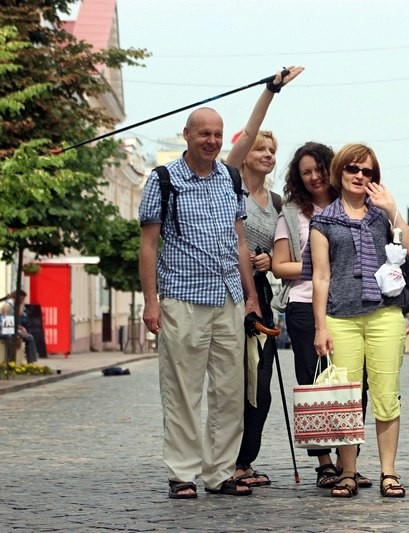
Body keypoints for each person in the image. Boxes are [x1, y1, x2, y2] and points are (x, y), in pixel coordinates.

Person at [139, 72, 293, 499]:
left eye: (217, 134)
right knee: (184, 391)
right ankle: (183, 473)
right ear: (186, 135)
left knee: (229, 391)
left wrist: (249, 296)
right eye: (203, 133)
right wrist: (151, 301)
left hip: (229, 299)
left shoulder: (230, 179)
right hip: (182, 300)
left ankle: (221, 471)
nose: (211, 140)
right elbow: (149, 245)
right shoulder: (164, 180)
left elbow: (240, 243)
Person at [310, 143, 409, 498]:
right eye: (353, 169)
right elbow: (320, 277)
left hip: (385, 314)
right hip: (341, 318)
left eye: (367, 171)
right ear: (339, 173)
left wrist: (393, 212)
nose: (359, 176)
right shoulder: (323, 220)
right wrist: (321, 326)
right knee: (347, 400)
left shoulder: (381, 215)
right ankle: (348, 472)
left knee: (386, 396)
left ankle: (389, 472)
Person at [222, 66, 303, 489]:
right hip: (228, 294)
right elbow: (249, 132)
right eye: (261, 147)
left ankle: (245, 461)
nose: (268, 154)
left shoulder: (278, 202)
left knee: (263, 385)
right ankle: (226, 460)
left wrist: (271, 260)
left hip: (263, 294)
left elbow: (290, 250)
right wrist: (270, 92)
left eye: (273, 150)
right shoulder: (228, 181)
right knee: (234, 383)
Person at [271, 141, 342, 489]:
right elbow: (279, 265)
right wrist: (320, 266)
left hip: (345, 306)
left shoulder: (350, 206)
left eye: (319, 169)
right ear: (297, 178)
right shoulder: (291, 213)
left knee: (349, 383)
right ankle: (324, 462)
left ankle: (348, 460)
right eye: (306, 172)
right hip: (302, 306)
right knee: (313, 383)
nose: (315, 177)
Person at [0, 289, 38, 363]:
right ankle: (10, 361)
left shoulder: (14, 306)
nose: (23, 302)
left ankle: (31, 361)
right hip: (4, 331)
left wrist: (20, 328)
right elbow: (7, 326)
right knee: (22, 337)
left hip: (9, 329)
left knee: (29, 337)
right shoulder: (8, 306)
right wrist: (17, 335)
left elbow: (18, 316)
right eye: (22, 300)